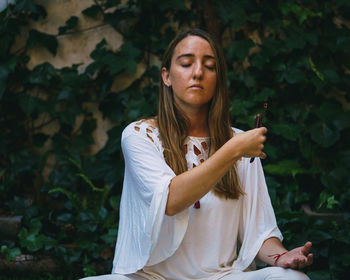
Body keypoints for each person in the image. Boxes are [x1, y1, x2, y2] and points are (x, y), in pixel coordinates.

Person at [81, 29, 313, 280]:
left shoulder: (241, 142)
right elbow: (170, 200)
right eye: (186, 63)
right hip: (152, 278)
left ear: (218, 80)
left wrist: (283, 257)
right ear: (166, 76)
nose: (199, 72)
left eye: (210, 66)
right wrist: (233, 150)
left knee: (292, 279)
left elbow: (260, 232)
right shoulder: (139, 135)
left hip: (221, 277)